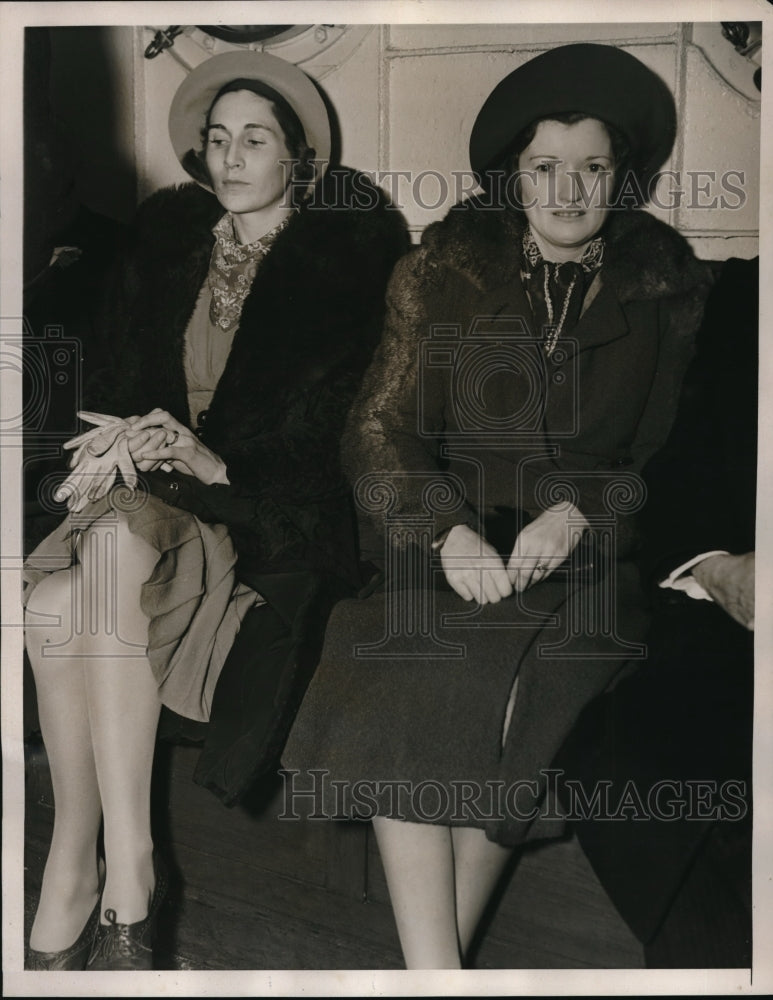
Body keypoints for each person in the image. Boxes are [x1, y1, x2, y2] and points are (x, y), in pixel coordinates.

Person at [283, 42, 714, 969]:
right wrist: (445, 533)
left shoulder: (668, 293)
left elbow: (660, 460)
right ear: (511, 179)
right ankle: (440, 977)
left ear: (619, 177)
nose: (568, 191)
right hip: (449, 541)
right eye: (544, 168)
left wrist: (585, 513)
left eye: (591, 168)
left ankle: (431, 976)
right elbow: (375, 430)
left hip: (590, 566)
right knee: (409, 670)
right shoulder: (438, 273)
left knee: (523, 697)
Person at [22, 50, 407, 971]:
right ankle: (85, 856)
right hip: (144, 496)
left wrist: (212, 458)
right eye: (218, 139)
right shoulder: (164, 247)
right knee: (45, 605)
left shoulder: (344, 269)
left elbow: (341, 441)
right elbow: (109, 381)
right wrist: (119, 434)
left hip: (256, 515)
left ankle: (126, 871)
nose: (232, 158)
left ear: (297, 159)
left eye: (257, 140)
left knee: (106, 559)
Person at [551, 255, 757, 967]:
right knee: (618, 763)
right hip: (740, 627)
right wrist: (715, 564)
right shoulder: (746, 293)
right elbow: (682, 461)